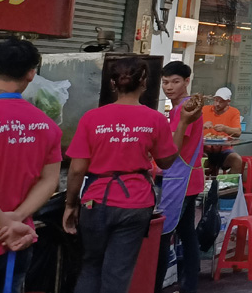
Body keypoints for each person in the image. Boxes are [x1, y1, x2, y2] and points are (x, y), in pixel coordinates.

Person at [65, 57, 197, 293]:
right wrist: (184, 123)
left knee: (91, 265)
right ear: (144, 83)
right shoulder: (154, 119)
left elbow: (76, 169)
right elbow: (166, 161)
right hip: (136, 203)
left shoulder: (91, 118)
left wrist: (70, 204)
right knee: (118, 271)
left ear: (113, 84)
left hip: (95, 202)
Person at [0, 39, 62, 293]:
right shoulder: (47, 125)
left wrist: (5, 224)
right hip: (19, 240)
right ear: (31, 74)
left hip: (12, 234)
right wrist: (16, 217)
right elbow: (50, 181)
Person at [157, 61, 205, 293]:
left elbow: (173, 147)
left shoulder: (184, 109)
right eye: (165, 82)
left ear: (187, 81)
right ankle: (189, 286)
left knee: (164, 236)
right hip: (191, 178)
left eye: (175, 82)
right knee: (187, 233)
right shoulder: (186, 106)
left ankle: (158, 285)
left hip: (179, 181)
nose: (169, 87)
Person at [202, 87, 243, 175]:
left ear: (228, 102)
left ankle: (227, 185)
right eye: (216, 100)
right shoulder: (205, 109)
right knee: (200, 159)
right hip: (205, 149)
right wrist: (203, 127)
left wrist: (225, 129)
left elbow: (238, 132)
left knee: (237, 160)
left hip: (224, 150)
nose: (217, 104)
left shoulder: (234, 112)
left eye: (221, 101)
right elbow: (192, 128)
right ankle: (202, 185)